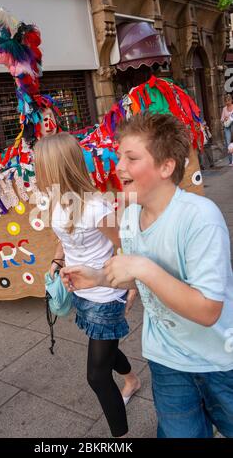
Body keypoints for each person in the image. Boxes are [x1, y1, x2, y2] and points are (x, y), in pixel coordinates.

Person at [61, 113, 233, 438]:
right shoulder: (129, 216)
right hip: (166, 359)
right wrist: (98, 277)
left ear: (166, 167)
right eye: (119, 155)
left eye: (132, 157)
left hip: (219, 360)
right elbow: (134, 277)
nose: (118, 166)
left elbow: (209, 310)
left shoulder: (199, 218)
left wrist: (141, 266)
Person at [34, 132, 141, 438]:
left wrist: (131, 286)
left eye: (39, 166)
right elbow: (63, 239)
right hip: (80, 290)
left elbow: (124, 245)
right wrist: (56, 263)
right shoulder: (56, 200)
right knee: (103, 346)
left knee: (96, 375)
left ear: (56, 167)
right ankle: (132, 379)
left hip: (107, 294)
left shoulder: (97, 207)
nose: (35, 172)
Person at [221, 93, 233, 166]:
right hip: (227, 127)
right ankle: (230, 161)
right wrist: (224, 118)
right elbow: (221, 119)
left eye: (229, 100)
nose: (227, 102)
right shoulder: (224, 109)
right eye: (226, 101)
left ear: (231, 100)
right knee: (228, 143)